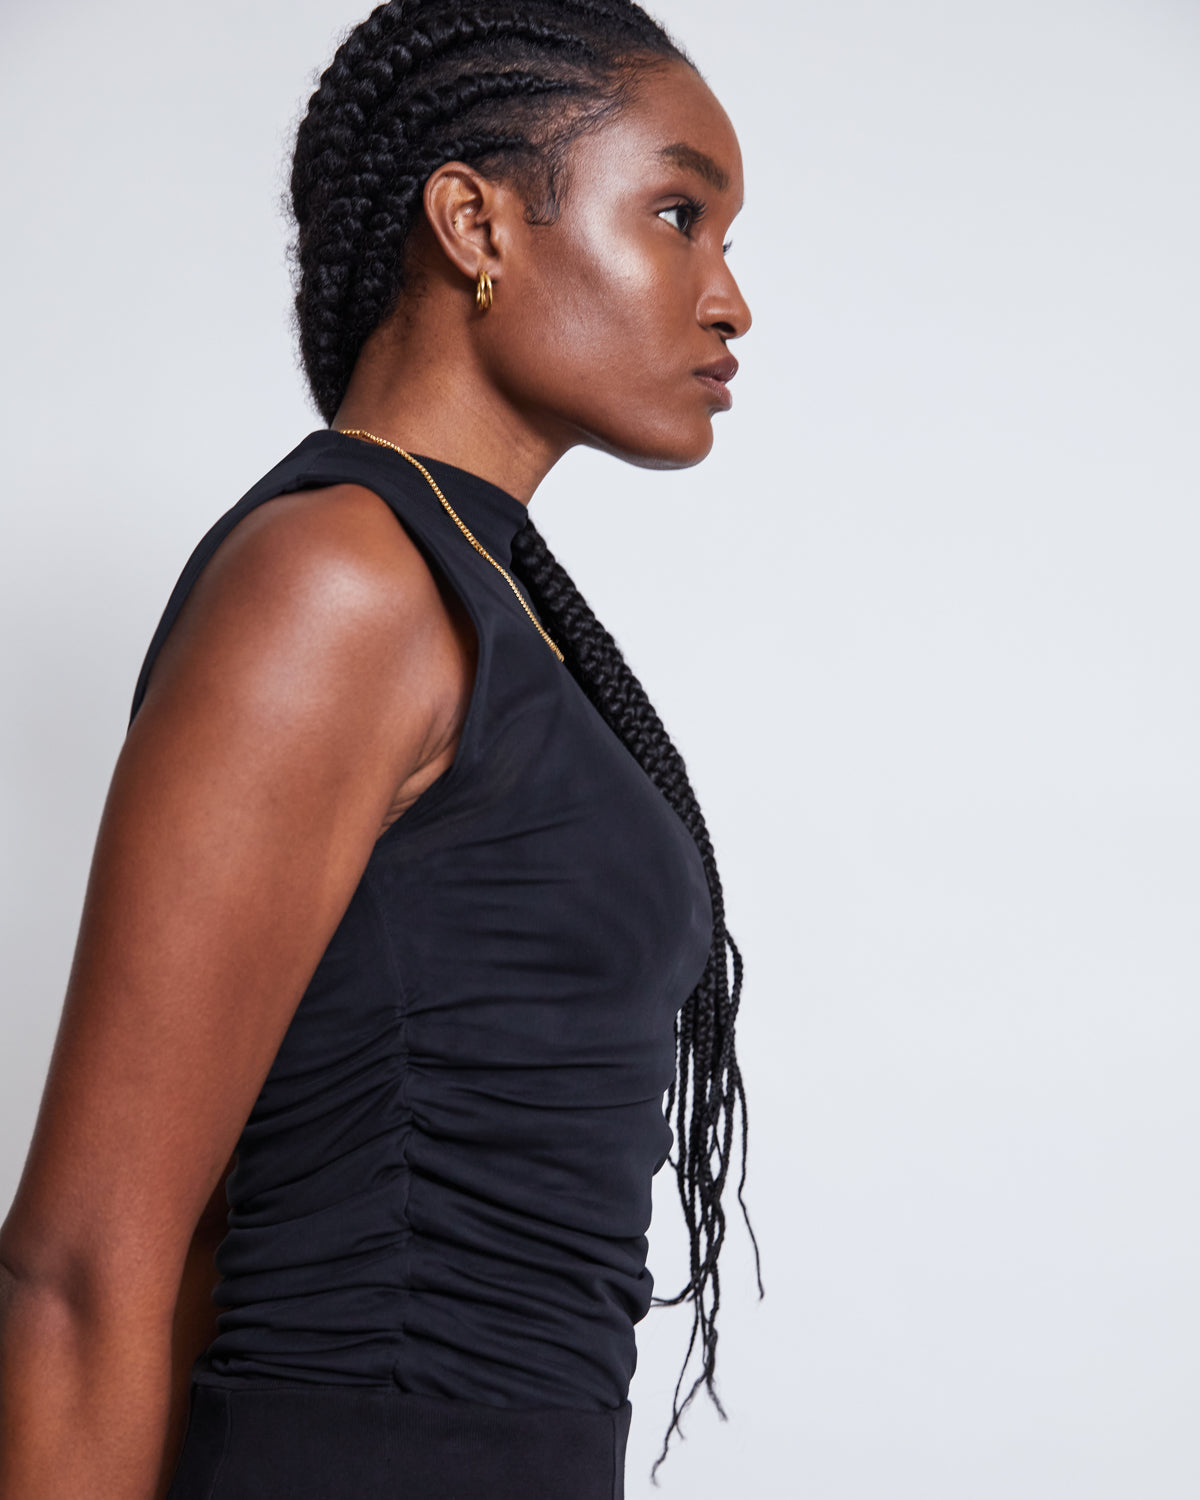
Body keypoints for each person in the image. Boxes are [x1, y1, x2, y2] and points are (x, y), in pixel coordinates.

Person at [0, 2, 759, 1496]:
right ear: (475, 224)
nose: (730, 300)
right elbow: (86, 1269)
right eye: (680, 216)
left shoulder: (485, 600)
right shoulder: (340, 582)